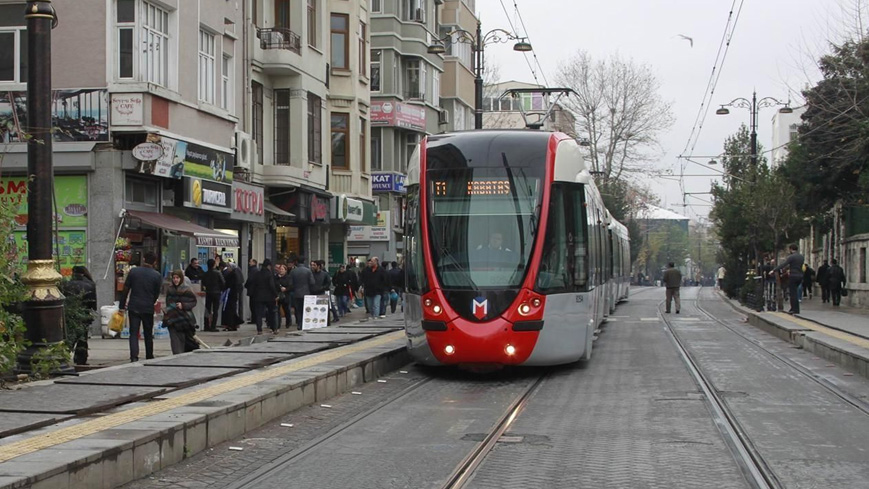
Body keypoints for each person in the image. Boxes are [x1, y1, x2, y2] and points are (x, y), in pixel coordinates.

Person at [119, 251, 162, 362]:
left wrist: (121, 306)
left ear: (143, 260)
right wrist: (151, 302)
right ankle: (149, 355)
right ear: (154, 262)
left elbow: (125, 289)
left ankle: (134, 357)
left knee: (133, 333)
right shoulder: (156, 275)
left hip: (134, 306)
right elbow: (156, 293)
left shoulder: (134, 272)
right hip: (147, 307)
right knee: (148, 333)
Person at [64, 265, 96, 365]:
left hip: (70, 313)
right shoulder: (90, 284)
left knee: (69, 336)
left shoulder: (67, 285)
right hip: (84, 313)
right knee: (82, 338)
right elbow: (93, 303)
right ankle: (81, 358)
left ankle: (64, 355)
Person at [163, 270, 199, 354]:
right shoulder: (170, 289)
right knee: (175, 341)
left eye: (177, 278)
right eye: (174, 278)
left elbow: (193, 302)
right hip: (172, 318)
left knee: (185, 340)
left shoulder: (187, 289)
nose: (175, 280)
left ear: (181, 278)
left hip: (184, 319)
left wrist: (183, 305)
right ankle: (177, 355)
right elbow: (168, 302)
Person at [770, 244, 804, 314]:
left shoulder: (791, 257)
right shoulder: (801, 257)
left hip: (793, 275)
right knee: (795, 292)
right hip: (800, 276)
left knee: (792, 293)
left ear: (791, 249)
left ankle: (794, 309)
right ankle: (796, 308)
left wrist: (774, 270)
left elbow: (784, 264)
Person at [250, 259, 279, 334]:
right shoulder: (269, 274)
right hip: (269, 296)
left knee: (258, 314)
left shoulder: (257, 274)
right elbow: (272, 286)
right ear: (269, 266)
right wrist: (276, 294)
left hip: (258, 296)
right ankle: (273, 328)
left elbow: (253, 285)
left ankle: (259, 329)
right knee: (271, 313)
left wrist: (252, 294)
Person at [288, 257, 315, 329]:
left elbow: (290, 283)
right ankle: (305, 323)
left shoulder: (293, 271)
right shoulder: (308, 271)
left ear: (297, 262)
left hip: (296, 293)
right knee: (305, 309)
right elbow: (312, 282)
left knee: (298, 309)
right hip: (306, 293)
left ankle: (299, 323)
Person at [201, 259, 225, 331]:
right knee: (215, 310)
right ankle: (213, 326)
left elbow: (203, 282)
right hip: (217, 292)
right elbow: (223, 282)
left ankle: (206, 325)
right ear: (214, 264)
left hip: (208, 292)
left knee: (207, 309)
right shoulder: (218, 273)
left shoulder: (205, 274)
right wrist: (221, 289)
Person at [221, 262, 245, 330]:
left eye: (229, 267)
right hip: (233, 294)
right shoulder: (236, 273)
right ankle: (233, 324)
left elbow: (229, 284)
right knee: (232, 309)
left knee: (230, 310)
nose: (228, 268)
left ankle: (231, 324)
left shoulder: (232, 274)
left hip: (231, 294)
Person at [275, 263, 293, 329]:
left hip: (285, 295)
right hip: (278, 295)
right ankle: (278, 324)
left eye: (282, 269)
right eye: (280, 269)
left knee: (286, 310)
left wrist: (286, 289)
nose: (281, 270)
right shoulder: (276, 277)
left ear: (285, 270)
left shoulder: (288, 277)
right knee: (277, 310)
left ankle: (288, 323)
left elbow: (291, 286)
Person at [245, 259, 259, 323]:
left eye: (250, 262)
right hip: (255, 290)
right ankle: (254, 319)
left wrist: (246, 285)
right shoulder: (256, 270)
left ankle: (254, 319)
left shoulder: (253, 270)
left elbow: (250, 279)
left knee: (253, 305)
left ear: (254, 262)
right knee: (254, 305)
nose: (249, 263)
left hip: (253, 290)